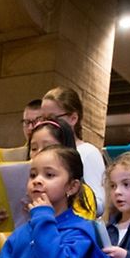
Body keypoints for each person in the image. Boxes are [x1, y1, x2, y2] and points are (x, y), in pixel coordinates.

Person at [42, 85, 106, 214]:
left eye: (52, 118)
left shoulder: (87, 152)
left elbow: (100, 204)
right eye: (43, 119)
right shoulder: (44, 154)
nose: (47, 125)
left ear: (73, 118)